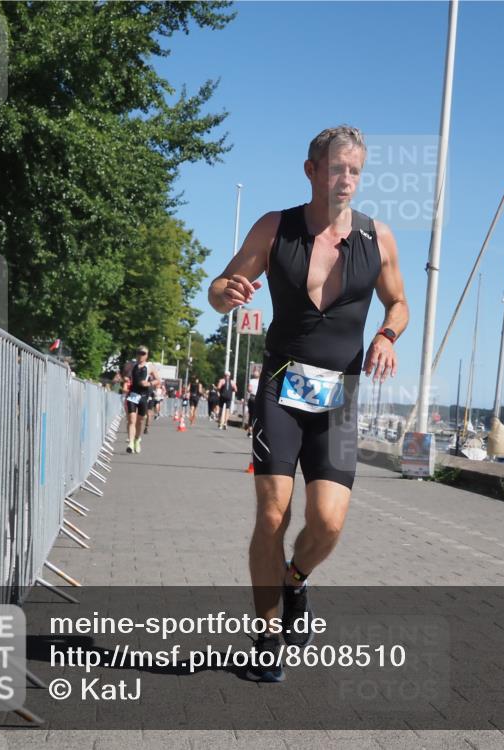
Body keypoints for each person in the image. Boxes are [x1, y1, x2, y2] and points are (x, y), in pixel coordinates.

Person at [208, 125, 408, 682]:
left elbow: (398, 303)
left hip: (338, 397)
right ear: (312, 170)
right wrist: (226, 293)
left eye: (355, 171)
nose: (347, 180)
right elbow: (221, 288)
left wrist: (387, 336)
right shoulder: (277, 228)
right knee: (273, 513)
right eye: (337, 168)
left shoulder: (377, 238)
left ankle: (295, 580)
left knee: (328, 523)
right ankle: (267, 637)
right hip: (280, 385)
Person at [121, 346, 159, 454]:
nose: (140, 355)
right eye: (139, 353)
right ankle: (130, 443)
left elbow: (158, 380)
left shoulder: (150, 366)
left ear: (147, 355)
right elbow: (123, 375)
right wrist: (125, 379)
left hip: (143, 396)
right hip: (133, 395)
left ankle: (137, 439)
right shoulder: (132, 365)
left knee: (140, 421)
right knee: (131, 419)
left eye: (143, 353)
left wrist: (149, 383)